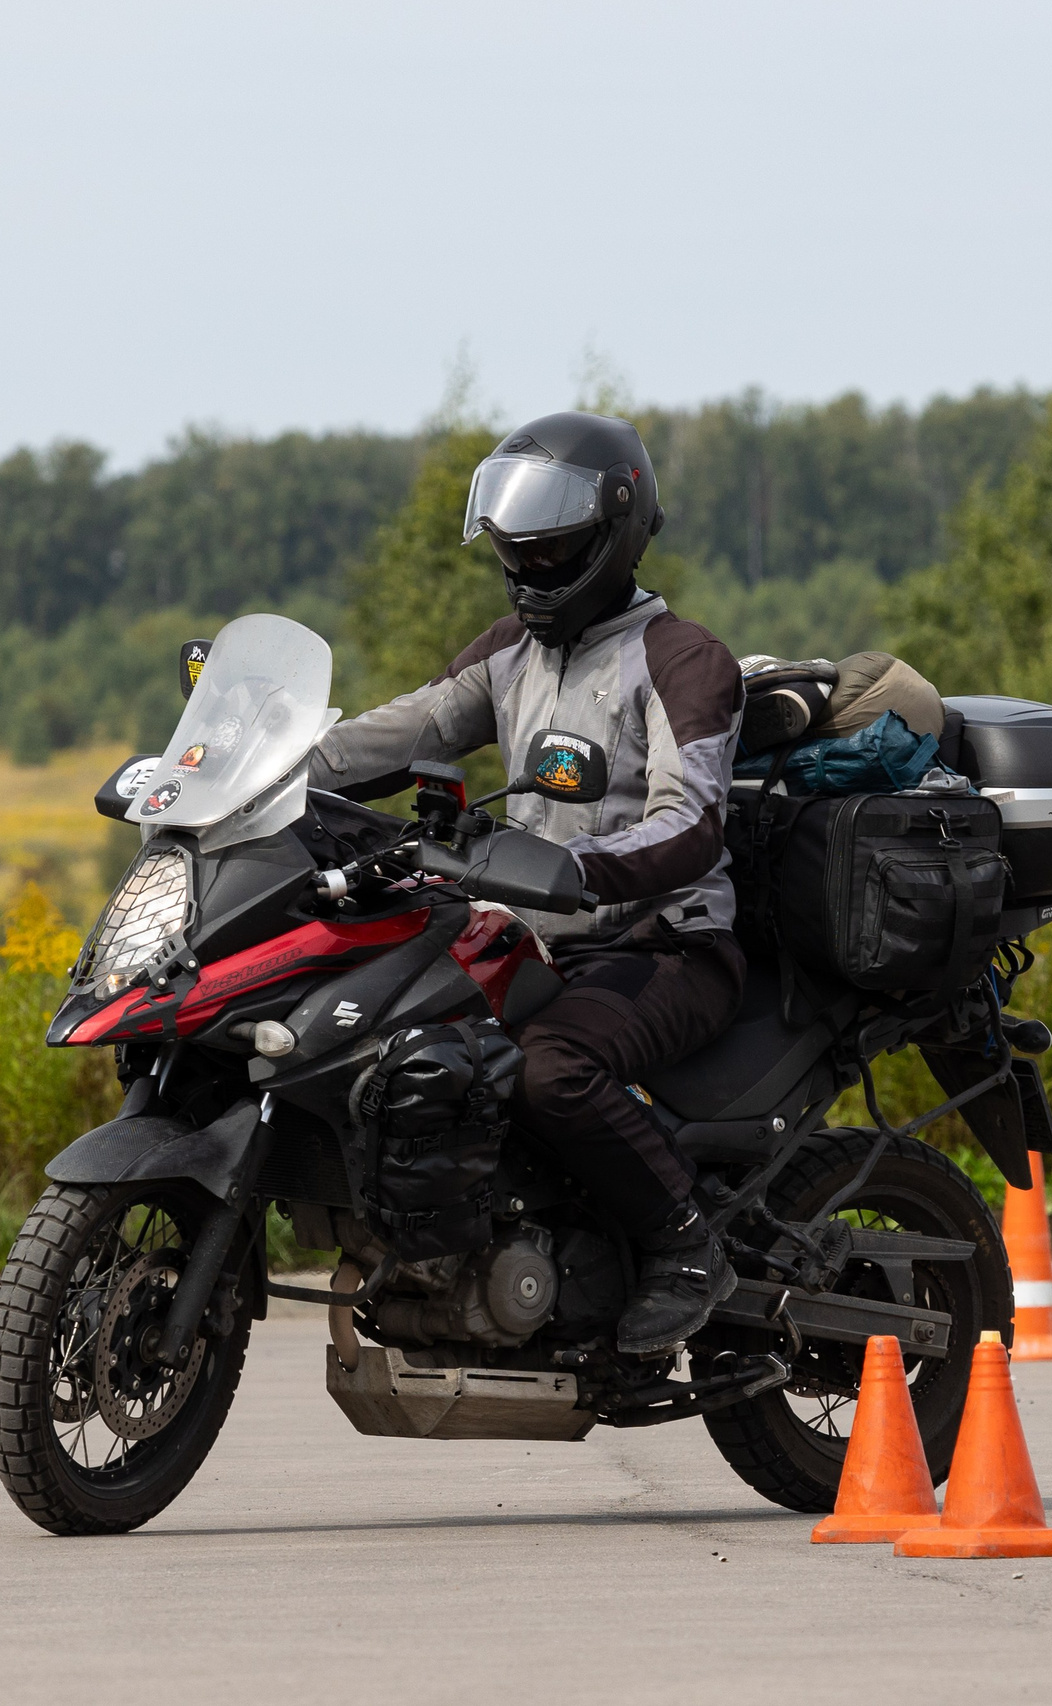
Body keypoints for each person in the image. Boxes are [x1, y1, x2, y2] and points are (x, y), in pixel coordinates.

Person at [310, 411, 746, 1356]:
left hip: (663, 943)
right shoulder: (511, 649)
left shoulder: (682, 659)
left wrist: (576, 868)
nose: (532, 566)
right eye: (519, 550)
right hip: (534, 938)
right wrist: (264, 771)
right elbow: (410, 729)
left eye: (553, 548)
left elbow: (691, 819)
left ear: (614, 533)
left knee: (551, 1070)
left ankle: (687, 1246)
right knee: (400, 1042)